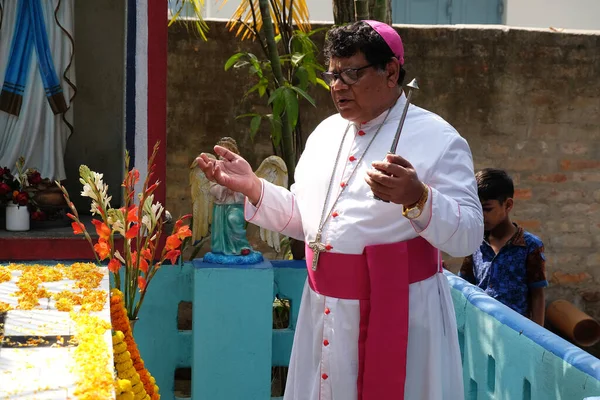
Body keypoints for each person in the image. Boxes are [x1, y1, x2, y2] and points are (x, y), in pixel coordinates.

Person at [197, 20, 483, 400]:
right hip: (325, 310)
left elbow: (469, 235)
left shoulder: (440, 139)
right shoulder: (326, 133)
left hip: (402, 314)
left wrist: (418, 198)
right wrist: (251, 186)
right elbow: (307, 219)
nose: (337, 86)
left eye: (351, 73)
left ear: (391, 72)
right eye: (332, 74)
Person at [459, 168, 547, 326]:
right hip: (480, 329)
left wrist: (538, 339)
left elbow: (537, 295)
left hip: (517, 333)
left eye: (487, 209)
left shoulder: (529, 246)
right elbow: (465, 285)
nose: (481, 215)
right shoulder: (475, 242)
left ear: (508, 205)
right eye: (477, 209)